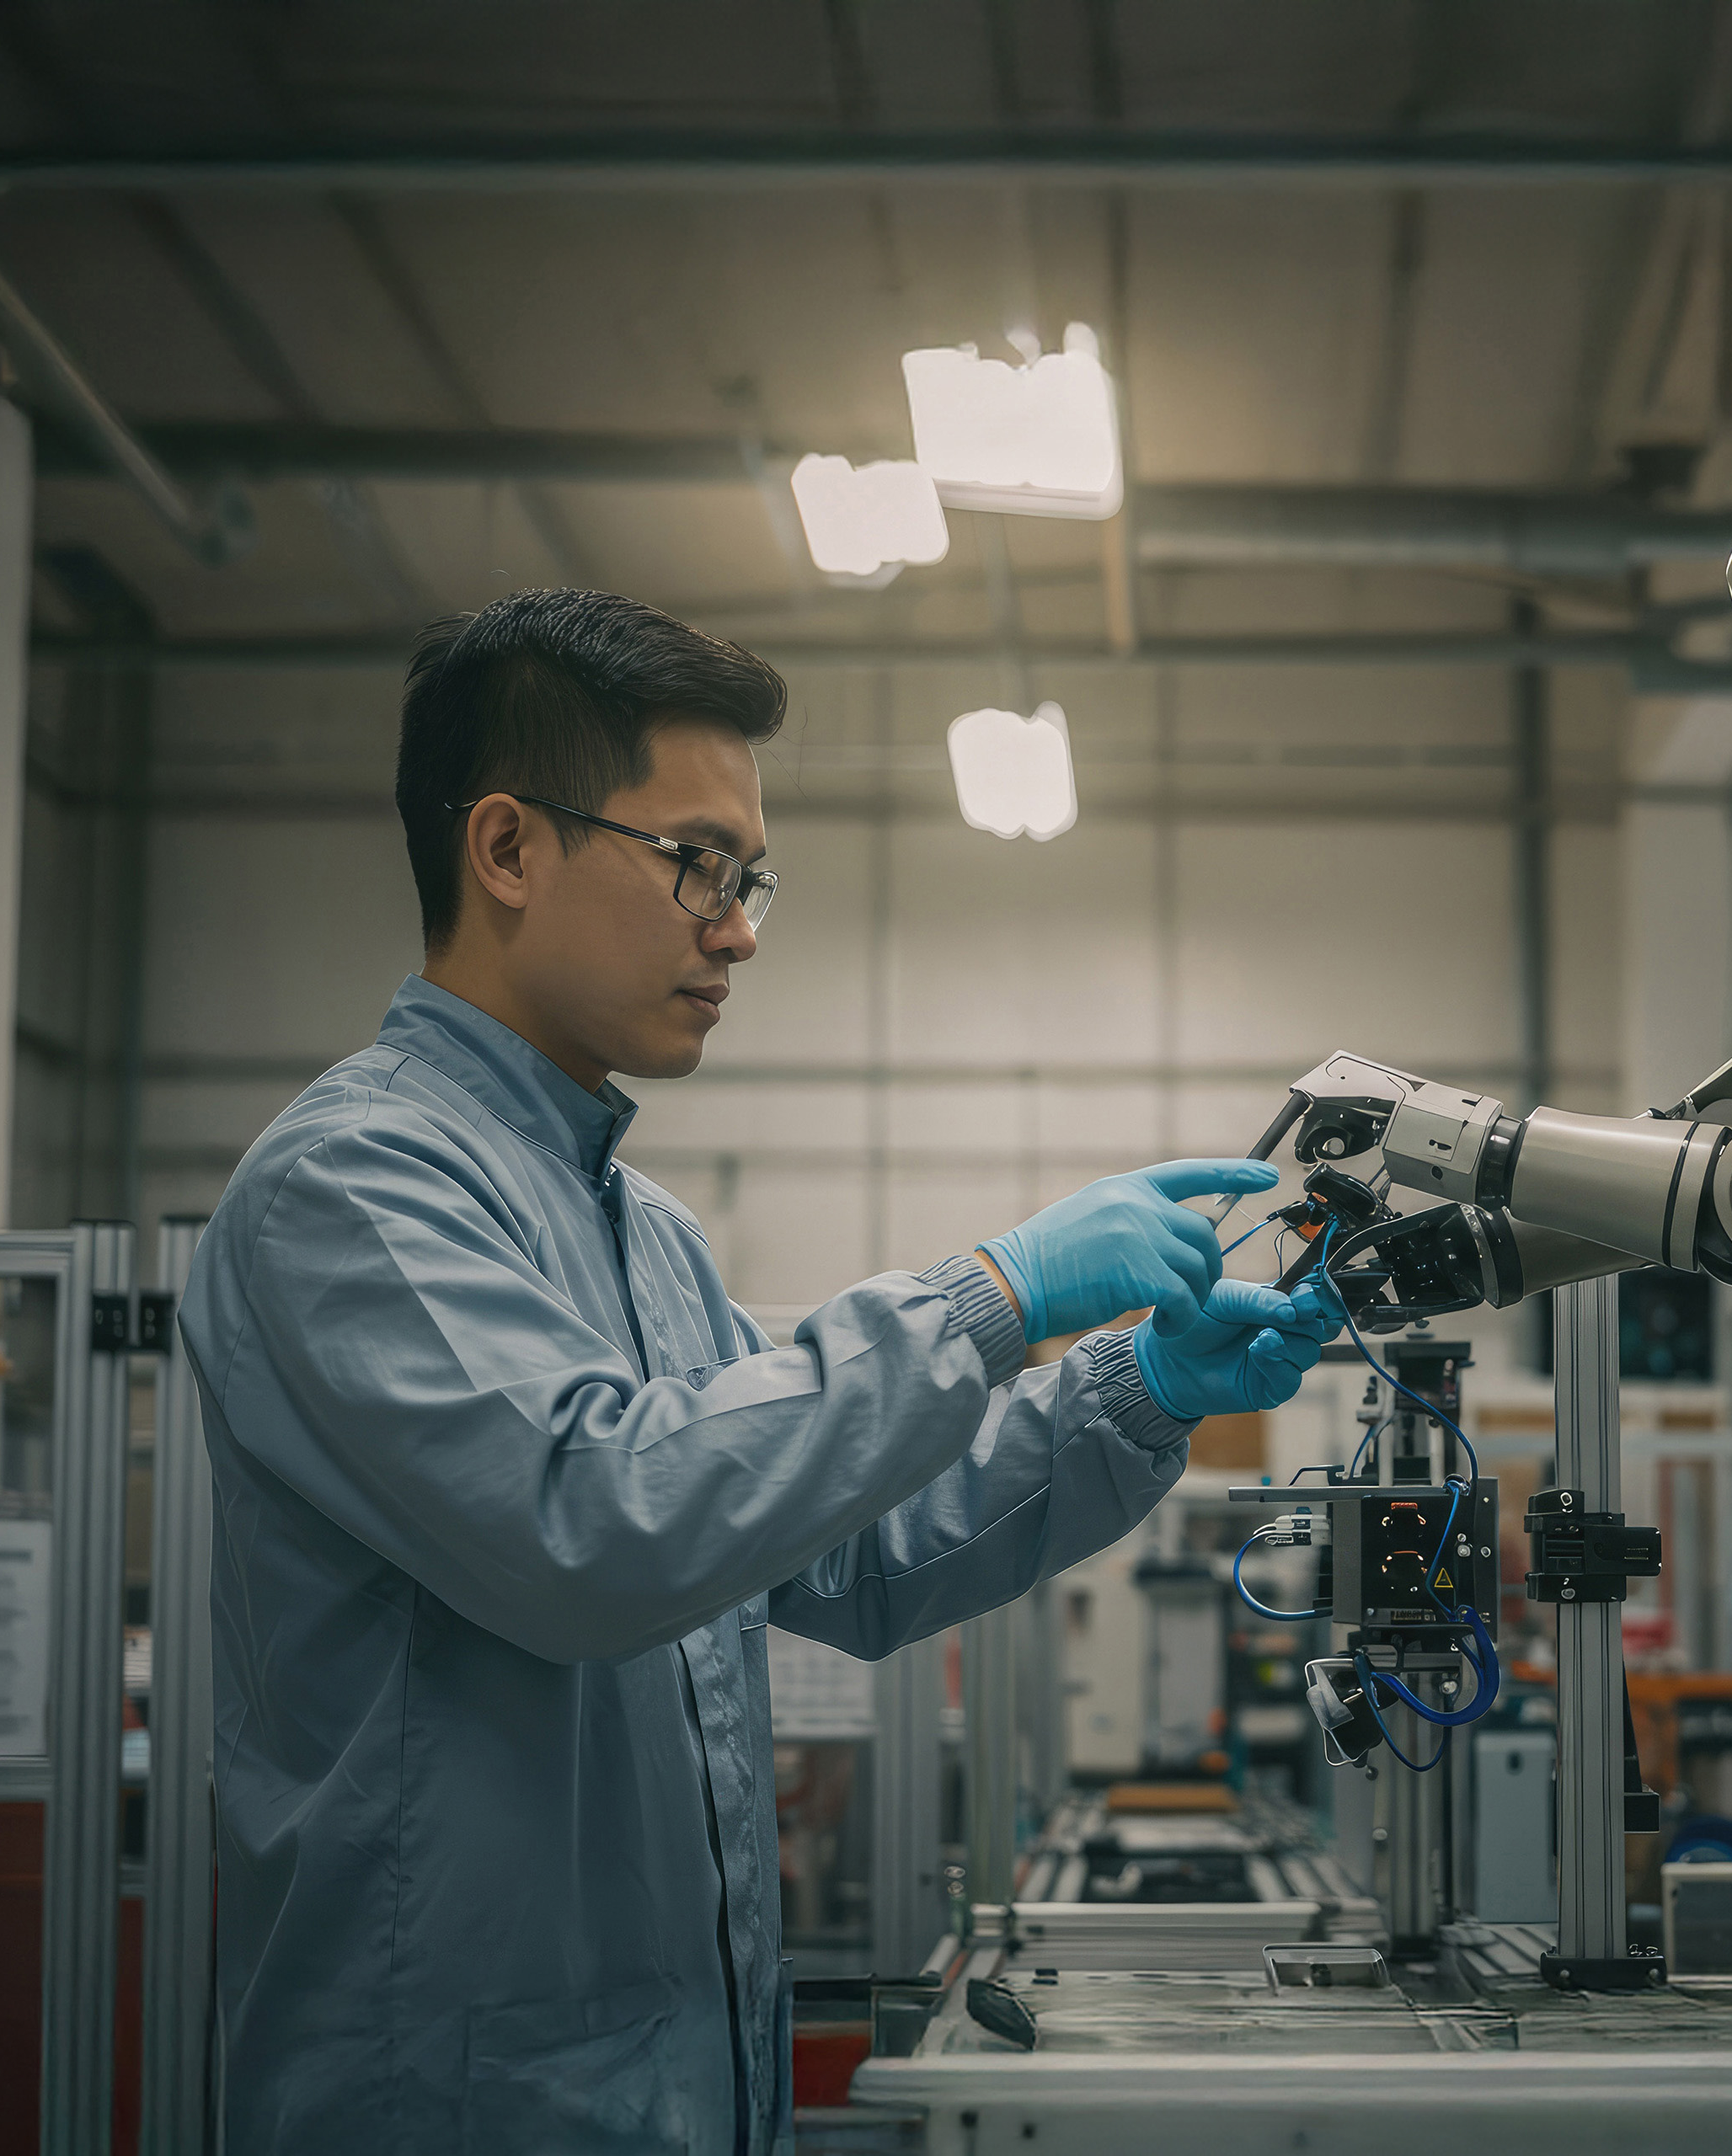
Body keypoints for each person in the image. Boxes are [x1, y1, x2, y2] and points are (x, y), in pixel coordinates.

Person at [179, 590, 1336, 2154]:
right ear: (507, 849)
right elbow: (597, 1520)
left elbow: (856, 1552)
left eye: (751, 879)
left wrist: (1145, 1386)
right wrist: (993, 1292)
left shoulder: (639, 1231)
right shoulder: (354, 1189)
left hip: (672, 2094)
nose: (733, 928)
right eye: (694, 865)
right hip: (453, 2107)